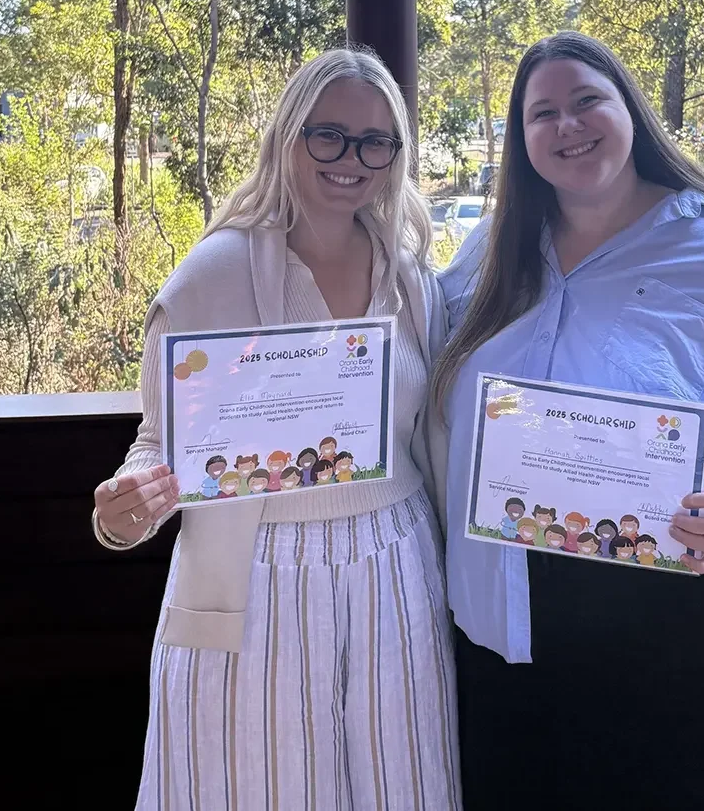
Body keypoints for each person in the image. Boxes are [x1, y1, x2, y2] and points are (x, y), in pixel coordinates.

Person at [433, 32, 704, 809]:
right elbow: (412, 345)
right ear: (520, 138)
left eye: (586, 100)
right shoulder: (492, 256)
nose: (568, 125)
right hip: (511, 625)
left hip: (666, 633)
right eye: (543, 113)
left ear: (628, 109)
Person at [91, 48, 461, 810]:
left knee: (403, 785)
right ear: (287, 136)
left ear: (395, 155)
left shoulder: (413, 278)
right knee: (257, 786)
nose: (350, 159)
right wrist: (124, 510)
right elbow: (162, 439)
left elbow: (436, 428)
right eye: (327, 134)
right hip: (257, 577)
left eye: (374, 141)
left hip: (396, 569)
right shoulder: (211, 274)